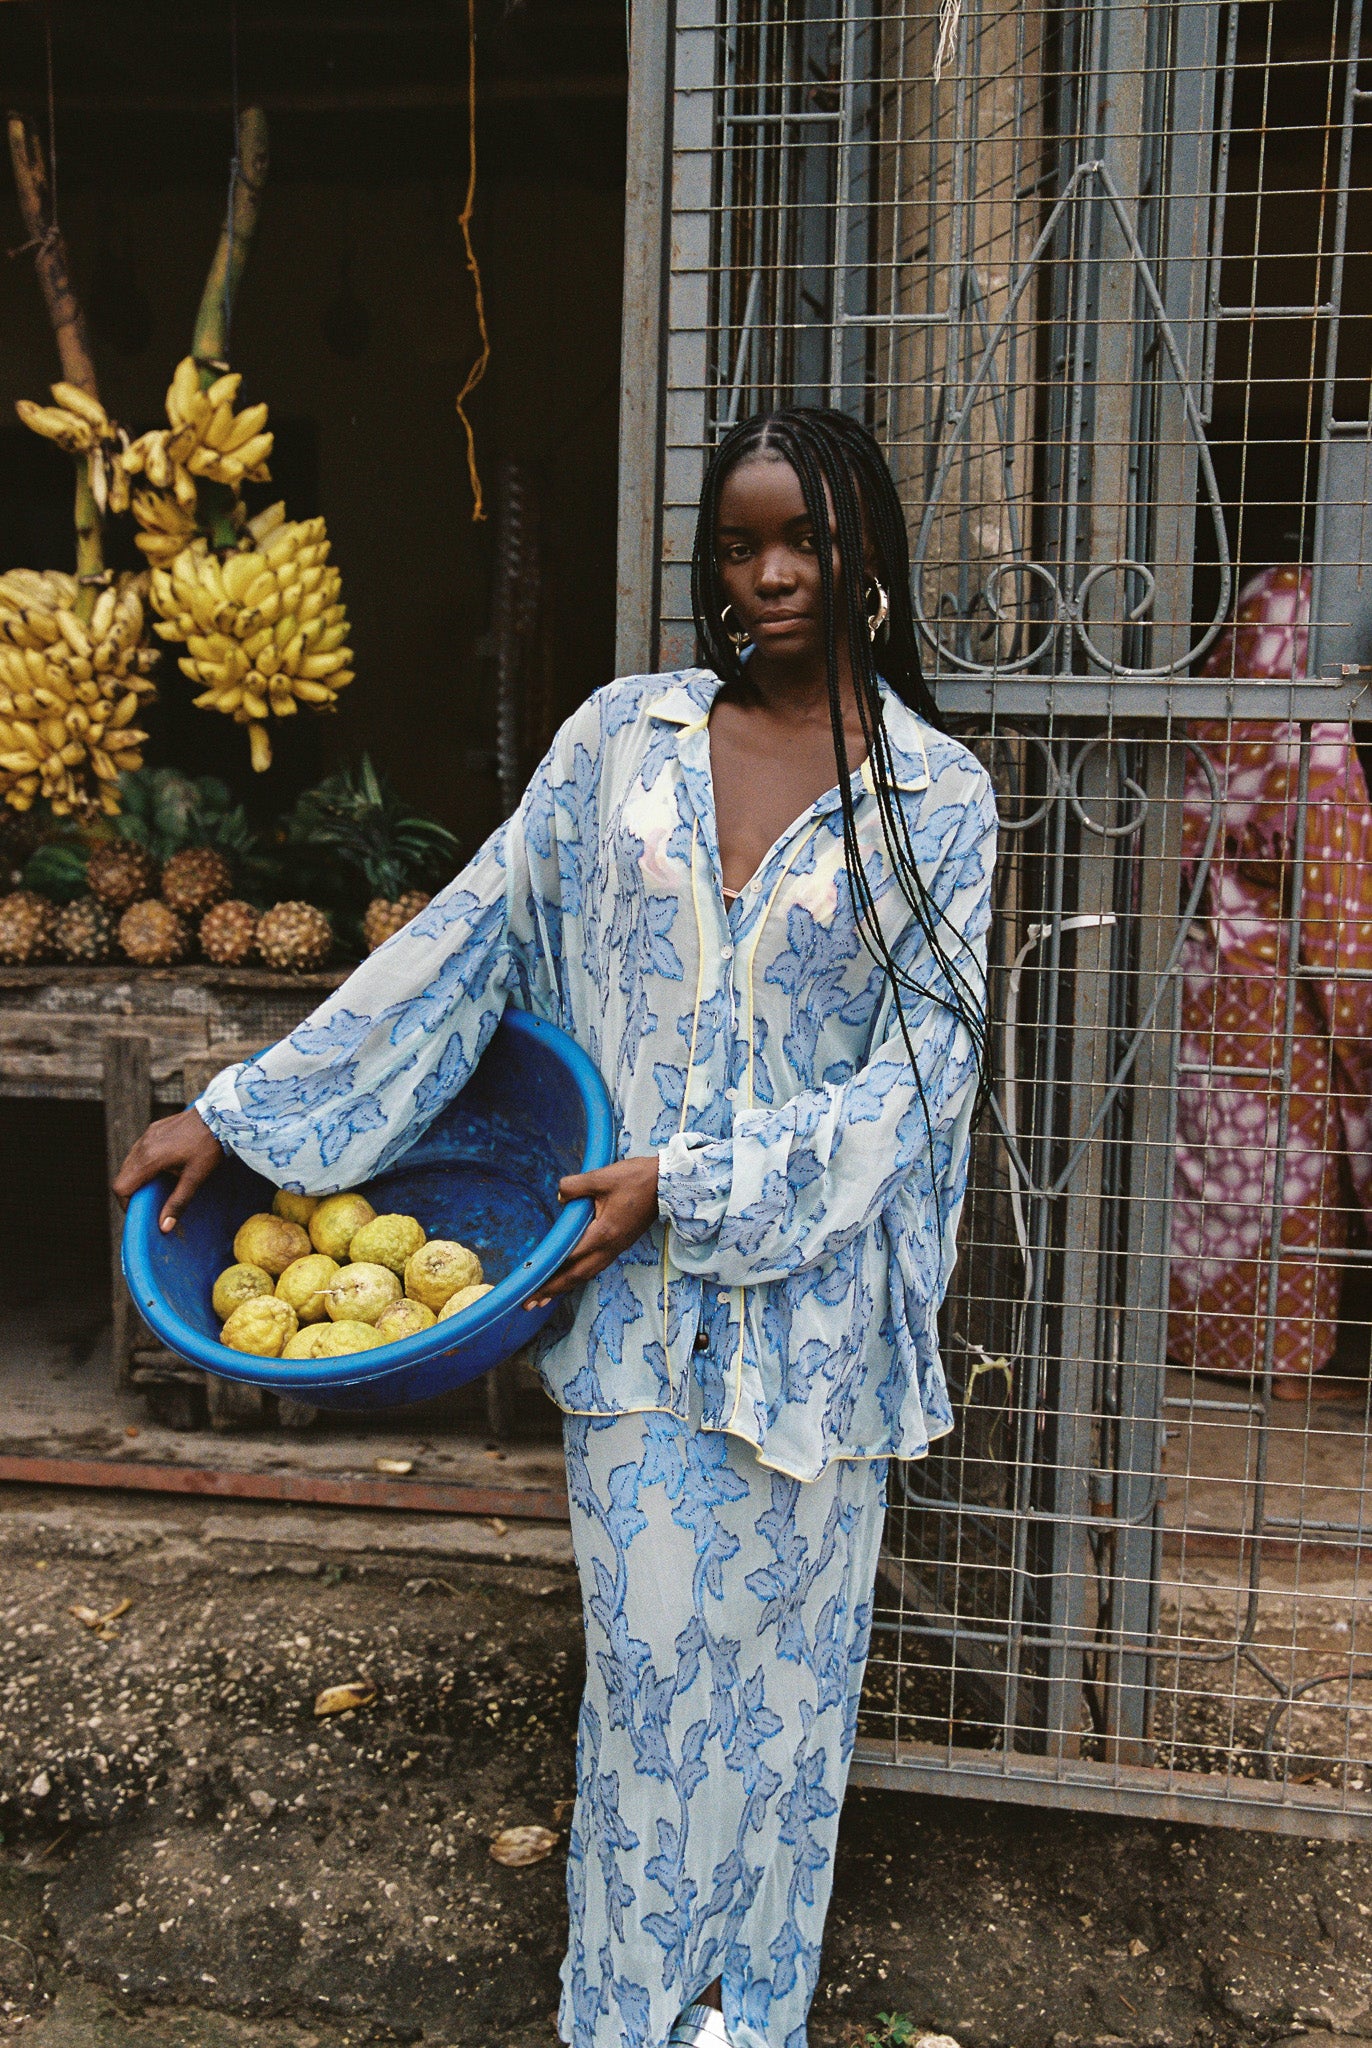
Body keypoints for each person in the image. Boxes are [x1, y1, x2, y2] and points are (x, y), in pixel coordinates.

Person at [114, 407, 996, 2048]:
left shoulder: (935, 798)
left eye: (803, 540)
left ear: (867, 550)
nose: (770, 575)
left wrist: (698, 1178)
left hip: (814, 1332)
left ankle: (749, 2022)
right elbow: (460, 948)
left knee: (788, 1712)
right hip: (636, 1303)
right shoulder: (617, 747)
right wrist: (238, 1114)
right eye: (738, 545)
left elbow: (918, 1079)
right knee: (654, 1697)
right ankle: (627, 2025)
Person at [1168, 564, 1372, 1398]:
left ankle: (1189, 1336)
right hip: (1281, 981)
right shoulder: (1311, 743)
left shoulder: (1206, 736)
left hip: (1202, 965)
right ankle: (1284, 1365)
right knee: (1291, 1170)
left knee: (1211, 1164)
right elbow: (1331, 889)